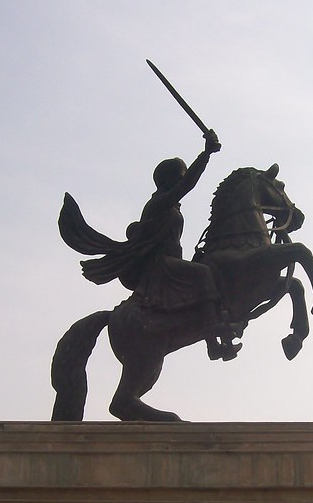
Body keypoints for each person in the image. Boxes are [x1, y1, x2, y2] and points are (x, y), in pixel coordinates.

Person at [59, 130, 240, 360]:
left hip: (172, 261)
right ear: (168, 180)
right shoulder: (157, 204)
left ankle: (218, 333)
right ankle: (213, 339)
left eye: (182, 176)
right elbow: (188, 185)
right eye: (180, 176)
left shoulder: (170, 207)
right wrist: (206, 154)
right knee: (204, 274)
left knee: (207, 267)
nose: (182, 180)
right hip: (162, 267)